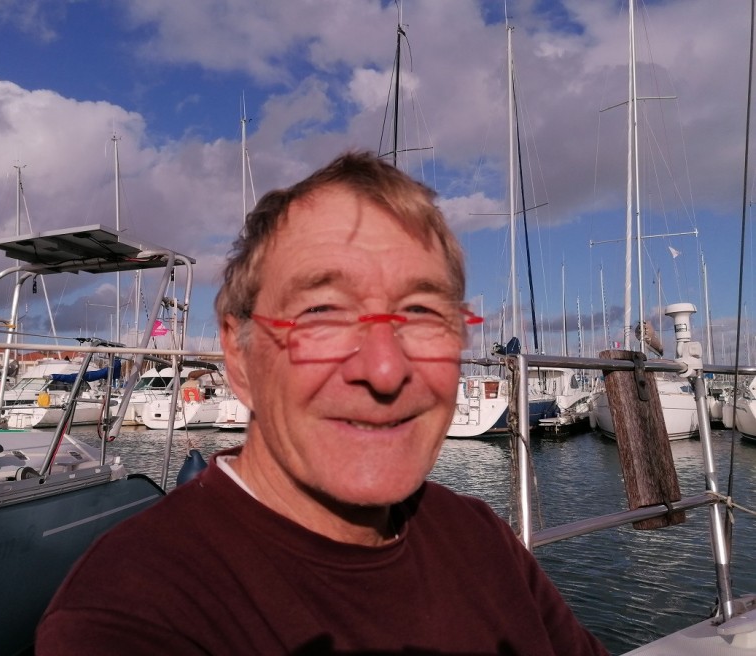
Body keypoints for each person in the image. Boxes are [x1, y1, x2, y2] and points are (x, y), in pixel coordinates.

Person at [36, 151, 608, 655]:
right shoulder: (135, 612)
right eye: (323, 314)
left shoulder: (479, 539)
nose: (384, 369)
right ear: (240, 355)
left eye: (422, 314)